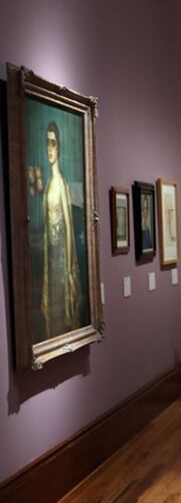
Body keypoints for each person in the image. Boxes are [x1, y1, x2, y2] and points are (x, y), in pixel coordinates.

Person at [40, 121, 82, 339]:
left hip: (62, 263)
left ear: (59, 147)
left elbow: (69, 230)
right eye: (47, 143)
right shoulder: (47, 185)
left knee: (64, 315)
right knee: (52, 315)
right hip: (51, 263)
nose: (49, 148)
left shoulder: (62, 184)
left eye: (53, 143)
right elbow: (46, 230)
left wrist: (68, 273)